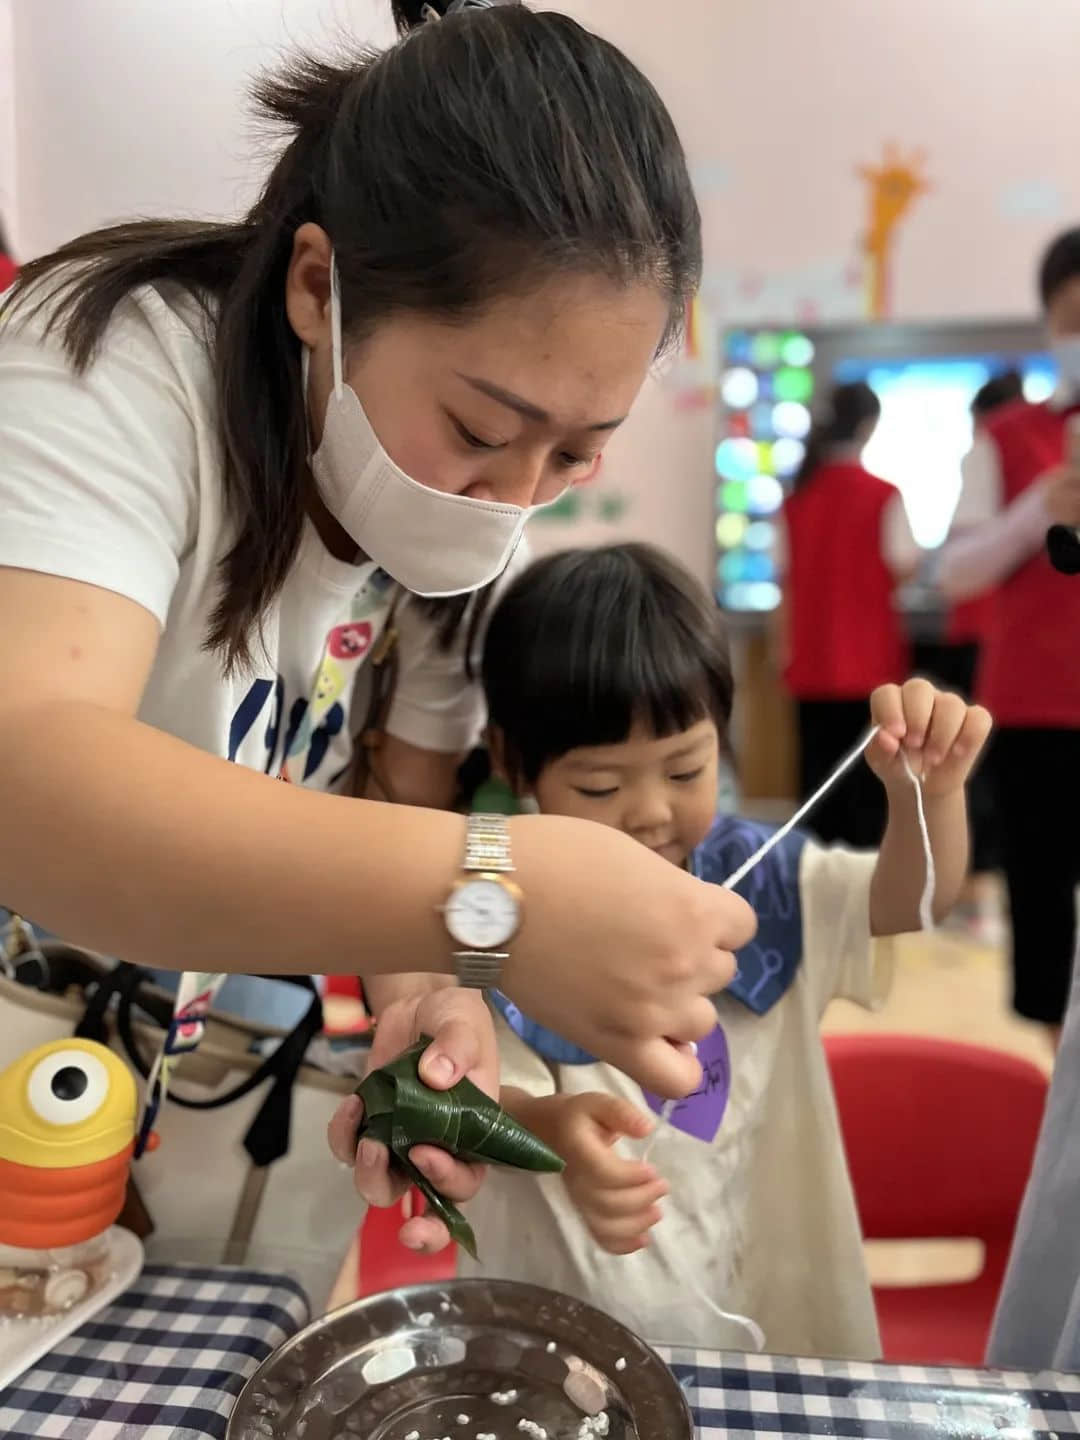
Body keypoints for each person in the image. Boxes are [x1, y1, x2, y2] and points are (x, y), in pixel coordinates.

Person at [0, 0, 755, 1245]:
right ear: (316, 288)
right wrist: (499, 893)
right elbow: (29, 774)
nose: (511, 501)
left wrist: (424, 988)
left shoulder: (433, 541)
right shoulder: (109, 365)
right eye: (478, 431)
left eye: (576, 453)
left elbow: (369, 809)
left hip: (133, 1083)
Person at [456, 543, 990, 1357]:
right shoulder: (495, 906)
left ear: (722, 739)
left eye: (685, 769)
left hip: (756, 1320)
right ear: (508, 760)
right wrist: (551, 1127)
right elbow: (469, 1092)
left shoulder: (769, 882)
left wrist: (933, 793)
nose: (649, 812)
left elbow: (911, 900)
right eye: (600, 786)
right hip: (553, 1325)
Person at [941, 228, 1080, 1039]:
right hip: (1034, 709)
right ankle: (1054, 1071)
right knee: (1041, 896)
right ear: (1050, 324)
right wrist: (1043, 509)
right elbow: (956, 569)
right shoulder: (1006, 438)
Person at [779, 381, 921, 849]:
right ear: (869, 426)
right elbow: (904, 566)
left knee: (815, 792)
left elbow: (786, 582)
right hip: (870, 668)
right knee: (866, 793)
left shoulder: (796, 497)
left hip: (810, 664)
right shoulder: (884, 495)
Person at [936, 371, 1022, 939]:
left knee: (974, 764)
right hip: (1001, 637)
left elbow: (956, 558)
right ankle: (983, 896)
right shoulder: (1010, 449)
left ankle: (980, 896)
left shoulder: (987, 448)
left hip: (985, 638)